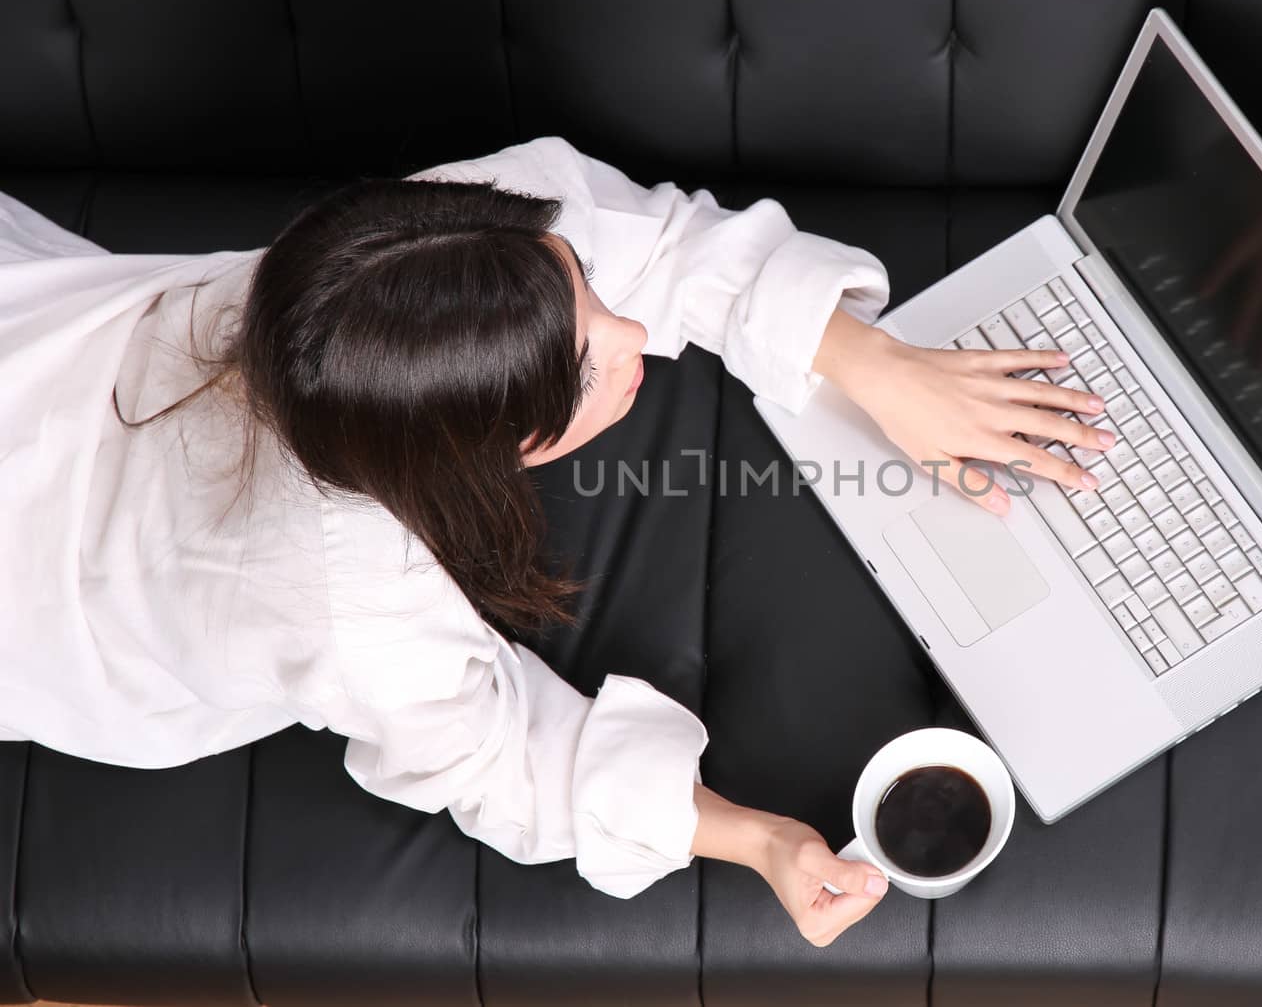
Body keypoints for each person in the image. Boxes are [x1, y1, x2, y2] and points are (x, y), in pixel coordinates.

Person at [0, 137, 1109, 947]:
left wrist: (875, 362)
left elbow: (605, 225)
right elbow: (508, 758)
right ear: (474, 454)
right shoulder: (351, 609)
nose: (632, 338)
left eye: (583, 296)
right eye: (587, 368)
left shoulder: (370, 282)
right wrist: (762, 839)